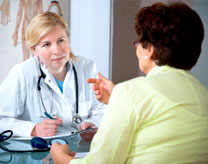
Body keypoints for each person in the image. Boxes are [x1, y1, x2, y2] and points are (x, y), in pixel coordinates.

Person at [50, 2, 208, 164]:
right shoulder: (203, 94)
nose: (137, 48)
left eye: (138, 42)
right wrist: (117, 102)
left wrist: (61, 157)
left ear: (150, 50)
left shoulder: (131, 92)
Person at [0, 12, 106, 139]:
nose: (57, 50)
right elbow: (2, 119)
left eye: (61, 40)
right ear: (34, 50)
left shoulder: (87, 67)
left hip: (80, 150)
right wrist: (34, 129)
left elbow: (102, 108)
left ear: (68, 38)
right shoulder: (22, 73)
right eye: (46, 44)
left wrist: (93, 123)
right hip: (39, 153)